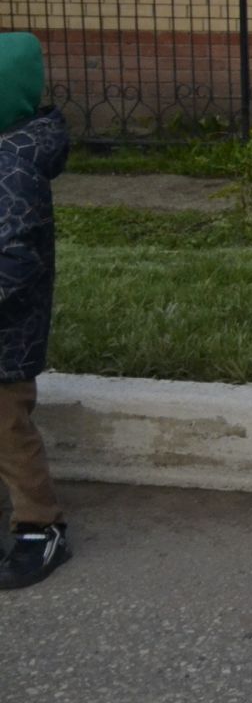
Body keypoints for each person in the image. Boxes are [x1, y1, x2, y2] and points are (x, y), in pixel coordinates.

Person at [0, 33, 73, 590]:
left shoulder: (15, 166)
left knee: (9, 429)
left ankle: (38, 524)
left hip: (7, 335)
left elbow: (17, 259)